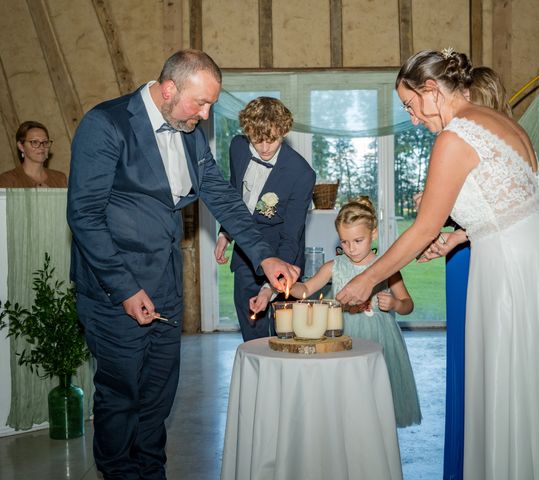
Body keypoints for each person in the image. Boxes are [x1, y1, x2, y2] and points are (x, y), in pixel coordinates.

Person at [337, 49, 539, 479]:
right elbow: (512, 203)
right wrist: (460, 236)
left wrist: (367, 280)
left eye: (410, 106)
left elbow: (422, 228)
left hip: (512, 268)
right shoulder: (503, 123)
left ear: (431, 90)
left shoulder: (454, 137)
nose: (412, 118)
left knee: (514, 386)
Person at [67, 49, 300, 480]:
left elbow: (221, 194)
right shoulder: (107, 124)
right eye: (202, 102)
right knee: (121, 396)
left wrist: (263, 254)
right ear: (169, 89)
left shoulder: (189, 129)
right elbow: (84, 216)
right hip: (113, 289)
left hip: (165, 286)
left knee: (158, 395)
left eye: (211, 103)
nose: (207, 113)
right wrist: (124, 288)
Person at [413, 65, 512, 480]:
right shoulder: (457, 137)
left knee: (486, 360)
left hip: (483, 257)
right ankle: (462, 460)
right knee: (462, 362)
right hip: (461, 255)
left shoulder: (491, 139)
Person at [251, 197, 422, 428]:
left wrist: (394, 304)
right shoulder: (333, 267)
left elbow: (407, 303)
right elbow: (306, 289)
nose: (351, 248)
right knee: (346, 398)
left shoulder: (387, 267)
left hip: (380, 339)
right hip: (342, 336)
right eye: (345, 241)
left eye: (358, 240)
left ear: (373, 234)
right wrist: (283, 286)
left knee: (376, 398)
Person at [214, 97, 315, 341]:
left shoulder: (302, 174)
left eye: (273, 139)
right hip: (245, 254)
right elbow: (233, 193)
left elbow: (292, 234)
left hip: (283, 255)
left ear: (284, 131)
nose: (265, 147)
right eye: (257, 139)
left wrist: (272, 285)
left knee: (286, 334)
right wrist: (225, 233)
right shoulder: (237, 148)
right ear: (247, 132)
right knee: (252, 329)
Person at [0, 120, 67, 188]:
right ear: (21, 146)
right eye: (34, 142)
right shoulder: (7, 180)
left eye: (45, 142)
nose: (41, 146)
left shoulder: (60, 178)